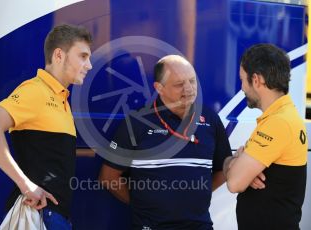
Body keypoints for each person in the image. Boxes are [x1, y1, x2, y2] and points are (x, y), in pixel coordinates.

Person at [0, 24, 92, 229]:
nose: (89, 65)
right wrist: (26, 185)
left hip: (54, 217)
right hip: (39, 216)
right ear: (59, 55)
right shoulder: (35, 90)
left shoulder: (62, 98)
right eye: (83, 56)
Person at [98, 55, 231, 229]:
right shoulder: (137, 121)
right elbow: (108, 177)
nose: (189, 89)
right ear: (159, 88)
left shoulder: (211, 119)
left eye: (192, 81)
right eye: (179, 84)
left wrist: (197, 196)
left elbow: (224, 168)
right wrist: (143, 207)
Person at [223, 44, 308, 230]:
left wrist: (238, 162)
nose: (242, 88)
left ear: (257, 80)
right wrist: (239, 164)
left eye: (242, 80)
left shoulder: (278, 122)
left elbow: (235, 183)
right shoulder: (282, 116)